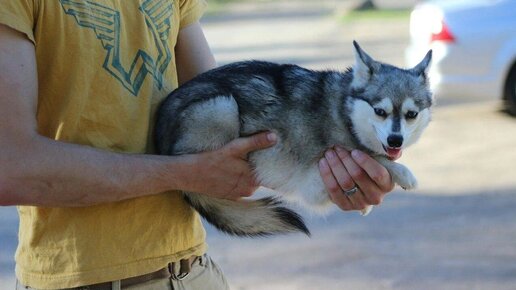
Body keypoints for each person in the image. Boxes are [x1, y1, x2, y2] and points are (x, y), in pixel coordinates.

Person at [0, 0, 395, 289]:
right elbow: (11, 168)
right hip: (80, 279)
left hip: (192, 272)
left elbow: (233, 118)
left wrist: (337, 166)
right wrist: (185, 173)